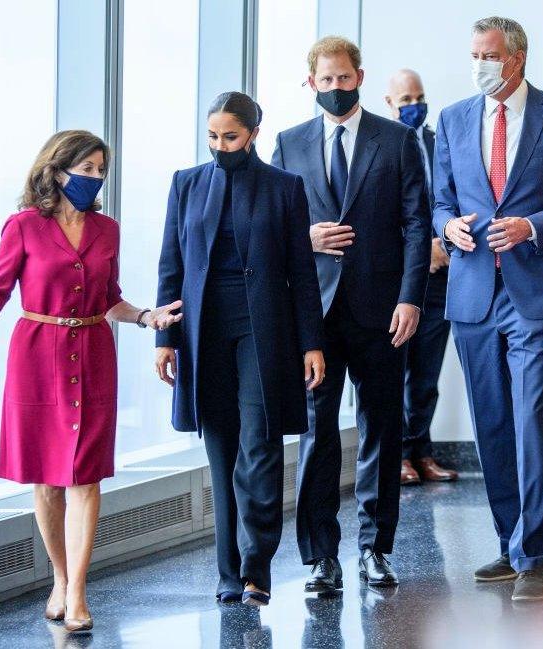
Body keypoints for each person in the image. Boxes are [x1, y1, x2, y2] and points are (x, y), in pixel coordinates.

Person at [0, 130, 182, 633]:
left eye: (98, 170)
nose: (93, 178)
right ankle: (60, 581)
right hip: (36, 356)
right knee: (47, 479)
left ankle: (79, 593)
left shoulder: (107, 229)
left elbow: (110, 296)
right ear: (57, 168)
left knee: (86, 475)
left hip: (92, 354)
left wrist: (146, 317)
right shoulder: (23, 224)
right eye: (84, 168)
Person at [433, 16, 543, 601]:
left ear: (517, 59)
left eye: (490, 55)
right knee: (492, 424)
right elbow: (440, 200)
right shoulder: (452, 119)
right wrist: (446, 226)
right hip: (473, 293)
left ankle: (533, 557)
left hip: (534, 293)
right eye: (474, 53)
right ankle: (508, 542)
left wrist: (531, 226)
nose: (480, 64)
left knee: (529, 419)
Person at [154, 92, 326, 607]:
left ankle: (257, 567)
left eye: (230, 136)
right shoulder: (186, 184)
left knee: (260, 442)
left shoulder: (284, 188)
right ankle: (228, 573)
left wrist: (311, 342)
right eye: (212, 136)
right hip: (203, 331)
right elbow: (172, 263)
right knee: (221, 450)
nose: (219, 146)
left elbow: (302, 273)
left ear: (252, 133)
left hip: (265, 330)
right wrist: (165, 337)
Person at [272, 37, 430, 590]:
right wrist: (305, 235)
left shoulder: (399, 141)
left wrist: (412, 297)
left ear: (359, 76)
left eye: (344, 78)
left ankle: (376, 548)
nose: (335, 88)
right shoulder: (288, 144)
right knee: (316, 435)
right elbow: (274, 226)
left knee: (381, 430)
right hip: (313, 313)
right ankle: (320, 558)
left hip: (384, 310)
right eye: (325, 80)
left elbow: (417, 224)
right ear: (309, 83)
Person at [384, 68, 458, 485]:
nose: (414, 105)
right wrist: (417, 252)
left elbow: (454, 200)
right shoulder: (382, 146)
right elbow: (376, 216)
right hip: (397, 282)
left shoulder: (438, 143)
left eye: (420, 96)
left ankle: (421, 452)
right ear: (389, 103)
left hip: (441, 279)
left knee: (427, 376)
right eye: (406, 99)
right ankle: (397, 456)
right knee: (395, 373)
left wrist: (442, 246)